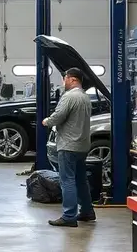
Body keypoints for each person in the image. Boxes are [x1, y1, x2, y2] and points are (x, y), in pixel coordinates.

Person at [41, 67, 96, 227]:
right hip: (82, 145)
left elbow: (58, 116)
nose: (63, 82)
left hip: (68, 145)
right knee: (81, 180)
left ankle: (69, 216)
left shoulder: (69, 96)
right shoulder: (85, 97)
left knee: (67, 181)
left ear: (72, 79)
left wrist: (47, 121)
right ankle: (87, 211)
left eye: (64, 78)